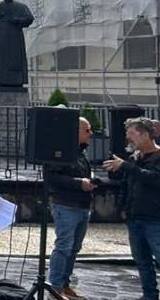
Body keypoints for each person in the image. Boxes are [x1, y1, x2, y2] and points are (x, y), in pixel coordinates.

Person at [103, 116, 160, 300]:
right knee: (142, 261)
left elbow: (155, 178)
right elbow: (126, 184)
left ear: (145, 135)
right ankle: (149, 296)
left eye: (131, 133)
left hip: (156, 218)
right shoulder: (135, 157)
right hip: (134, 218)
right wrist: (123, 207)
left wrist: (125, 166)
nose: (128, 137)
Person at [45, 117, 95, 300]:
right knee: (64, 247)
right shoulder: (62, 151)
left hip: (81, 205)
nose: (90, 133)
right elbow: (52, 177)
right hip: (66, 205)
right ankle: (56, 287)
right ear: (76, 131)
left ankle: (64, 285)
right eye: (87, 130)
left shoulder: (81, 152)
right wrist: (79, 183)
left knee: (74, 248)